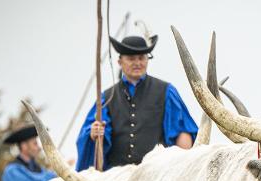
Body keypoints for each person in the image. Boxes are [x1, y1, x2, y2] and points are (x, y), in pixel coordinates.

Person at [75, 34, 199, 171]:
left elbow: (183, 131)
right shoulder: (106, 97)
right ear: (119, 62)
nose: (137, 63)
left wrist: (183, 166)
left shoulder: (166, 91)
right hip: (116, 177)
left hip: (155, 173)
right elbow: (91, 138)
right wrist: (93, 134)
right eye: (131, 58)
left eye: (142, 58)